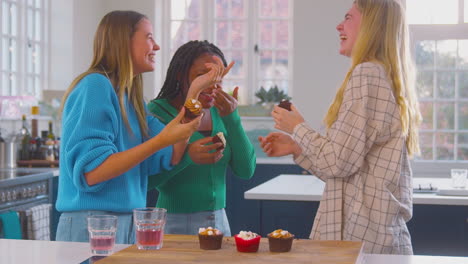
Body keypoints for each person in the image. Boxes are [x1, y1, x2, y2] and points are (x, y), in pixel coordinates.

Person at [258, 0, 421, 254]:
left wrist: (297, 127)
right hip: (372, 242)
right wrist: (297, 148)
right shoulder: (382, 76)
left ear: (371, 25)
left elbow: (337, 162)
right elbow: (344, 173)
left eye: (348, 17)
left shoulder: (366, 75)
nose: (339, 26)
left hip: (362, 246)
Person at [55, 11, 226, 244]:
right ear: (123, 40)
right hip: (92, 225)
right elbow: (91, 172)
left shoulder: (133, 101)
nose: (155, 46)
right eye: (149, 37)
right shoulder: (95, 86)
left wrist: (195, 91)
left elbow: (173, 153)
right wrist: (159, 141)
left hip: (127, 225)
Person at [147, 40, 256, 236]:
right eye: (203, 75)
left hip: (219, 221)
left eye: (218, 76)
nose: (212, 84)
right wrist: (187, 156)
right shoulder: (158, 113)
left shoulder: (220, 112)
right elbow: (148, 180)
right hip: (172, 223)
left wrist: (232, 118)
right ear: (180, 75)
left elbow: (246, 170)